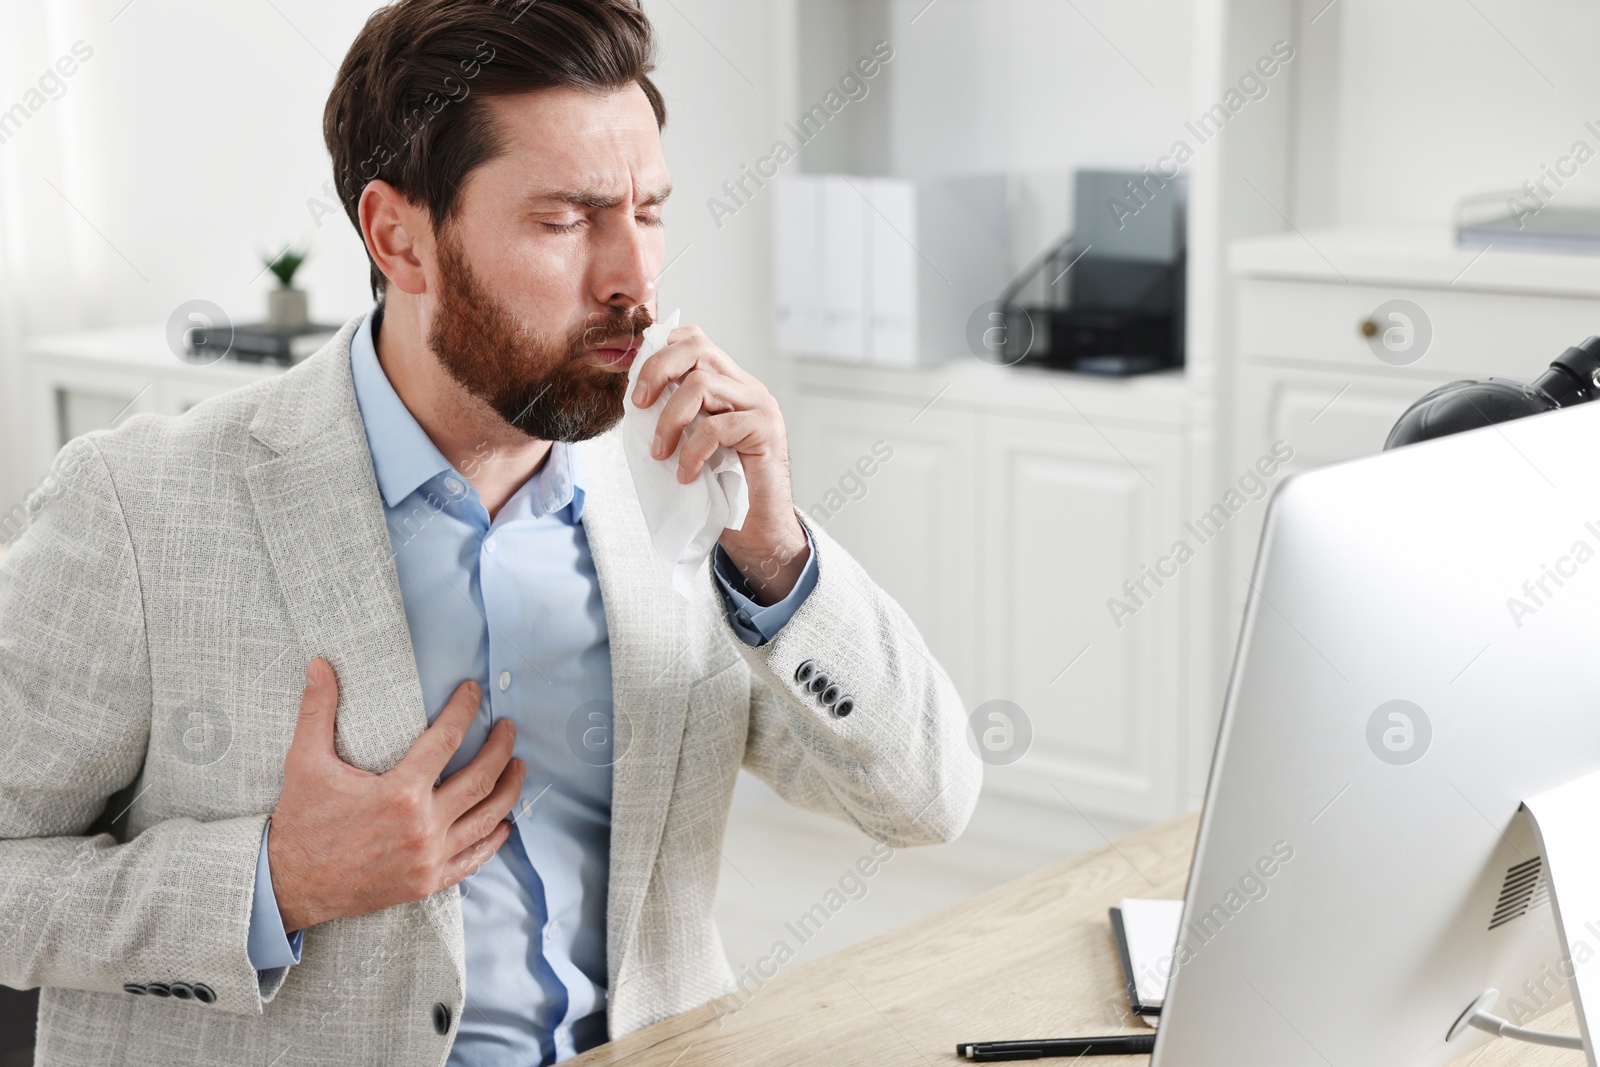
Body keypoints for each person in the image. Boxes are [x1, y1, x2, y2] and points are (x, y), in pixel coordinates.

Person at [0, 1, 980, 1064]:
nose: (634, 279)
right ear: (399, 237)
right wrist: (277, 879)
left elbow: (926, 798)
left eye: (648, 211)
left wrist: (777, 550)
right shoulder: (140, 507)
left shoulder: (686, 488)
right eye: (564, 220)